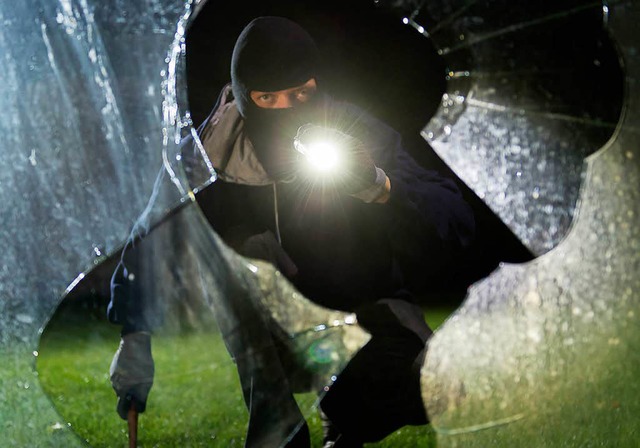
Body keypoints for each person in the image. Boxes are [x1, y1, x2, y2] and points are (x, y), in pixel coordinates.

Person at [109, 16, 474, 448]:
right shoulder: (207, 157)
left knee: (423, 392)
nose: (286, 108)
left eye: (301, 93)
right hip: (272, 335)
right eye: (268, 97)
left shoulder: (354, 130)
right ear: (245, 97)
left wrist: (380, 185)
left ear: (316, 84)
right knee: (240, 253)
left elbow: (454, 214)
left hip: (360, 316)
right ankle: (279, 434)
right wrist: (134, 332)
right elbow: (152, 234)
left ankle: (347, 418)